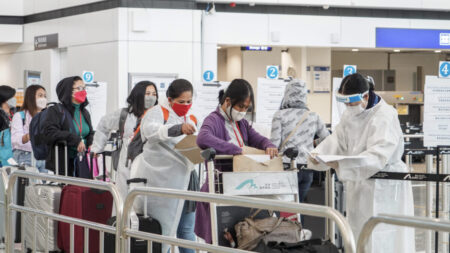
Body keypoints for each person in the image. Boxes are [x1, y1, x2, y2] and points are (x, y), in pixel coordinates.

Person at [308, 73, 414, 253]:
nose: (348, 107)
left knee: (383, 237)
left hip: (384, 186)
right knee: (358, 233)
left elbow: (377, 156)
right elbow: (337, 141)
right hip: (360, 185)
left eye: (351, 102)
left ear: (365, 96)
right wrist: (318, 155)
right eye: (345, 103)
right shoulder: (350, 116)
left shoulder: (384, 115)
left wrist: (341, 165)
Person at [195, 79, 278, 244]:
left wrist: (268, 145)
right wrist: (234, 149)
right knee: (221, 241)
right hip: (219, 188)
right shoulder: (213, 119)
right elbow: (203, 138)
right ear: (227, 101)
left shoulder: (242, 123)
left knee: (242, 239)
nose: (243, 111)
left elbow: (258, 139)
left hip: (241, 187)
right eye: (240, 107)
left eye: (246, 108)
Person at [129, 79, 199, 253]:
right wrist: (178, 128)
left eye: (189, 101)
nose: (186, 105)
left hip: (187, 181)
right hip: (161, 184)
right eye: (181, 102)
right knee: (161, 234)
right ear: (169, 99)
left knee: (186, 232)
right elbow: (151, 132)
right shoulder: (157, 112)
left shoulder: (190, 117)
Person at [91, 81, 159, 199]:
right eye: (147, 93)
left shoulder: (158, 116)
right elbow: (103, 125)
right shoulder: (124, 115)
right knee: (124, 200)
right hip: (126, 164)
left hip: (150, 164)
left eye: (154, 94)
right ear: (138, 95)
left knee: (146, 203)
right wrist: (98, 147)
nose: (151, 97)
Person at [271, 80, 329, 204]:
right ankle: (300, 224)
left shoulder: (279, 115)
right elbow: (327, 138)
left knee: (287, 208)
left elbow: (274, 145)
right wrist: (314, 143)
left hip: (287, 168)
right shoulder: (314, 115)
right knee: (300, 205)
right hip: (307, 169)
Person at [43, 76, 94, 176]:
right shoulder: (56, 111)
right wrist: (74, 139)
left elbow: (89, 132)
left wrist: (91, 142)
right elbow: (50, 133)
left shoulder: (84, 112)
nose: (83, 91)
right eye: (79, 88)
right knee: (69, 190)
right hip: (64, 161)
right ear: (67, 91)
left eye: (84, 88)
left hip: (82, 160)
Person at [11, 85, 47, 172]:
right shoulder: (20, 116)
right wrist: (29, 135)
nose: (43, 99)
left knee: (45, 185)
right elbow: (16, 139)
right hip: (25, 156)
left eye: (45, 96)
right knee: (29, 185)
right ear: (31, 97)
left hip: (43, 157)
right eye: (40, 95)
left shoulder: (46, 116)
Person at [0, 85, 16, 166]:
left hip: (15, 152)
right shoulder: (1, 115)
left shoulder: (15, 112)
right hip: (3, 154)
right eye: (12, 97)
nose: (14, 99)